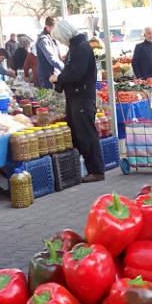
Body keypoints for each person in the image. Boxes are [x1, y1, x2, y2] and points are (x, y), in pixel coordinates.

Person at [51, 19, 104, 183]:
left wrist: (58, 79)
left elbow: (75, 74)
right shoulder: (77, 47)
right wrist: (60, 81)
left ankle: (96, 170)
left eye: (59, 39)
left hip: (81, 98)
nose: (60, 42)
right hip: (76, 98)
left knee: (86, 134)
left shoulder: (80, 48)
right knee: (80, 133)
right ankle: (90, 169)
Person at [36, 15, 64, 89]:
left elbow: (56, 56)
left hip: (55, 74)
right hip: (47, 76)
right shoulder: (43, 40)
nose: (57, 30)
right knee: (50, 99)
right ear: (47, 27)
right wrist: (65, 69)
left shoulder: (52, 37)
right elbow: (51, 58)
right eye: (54, 28)